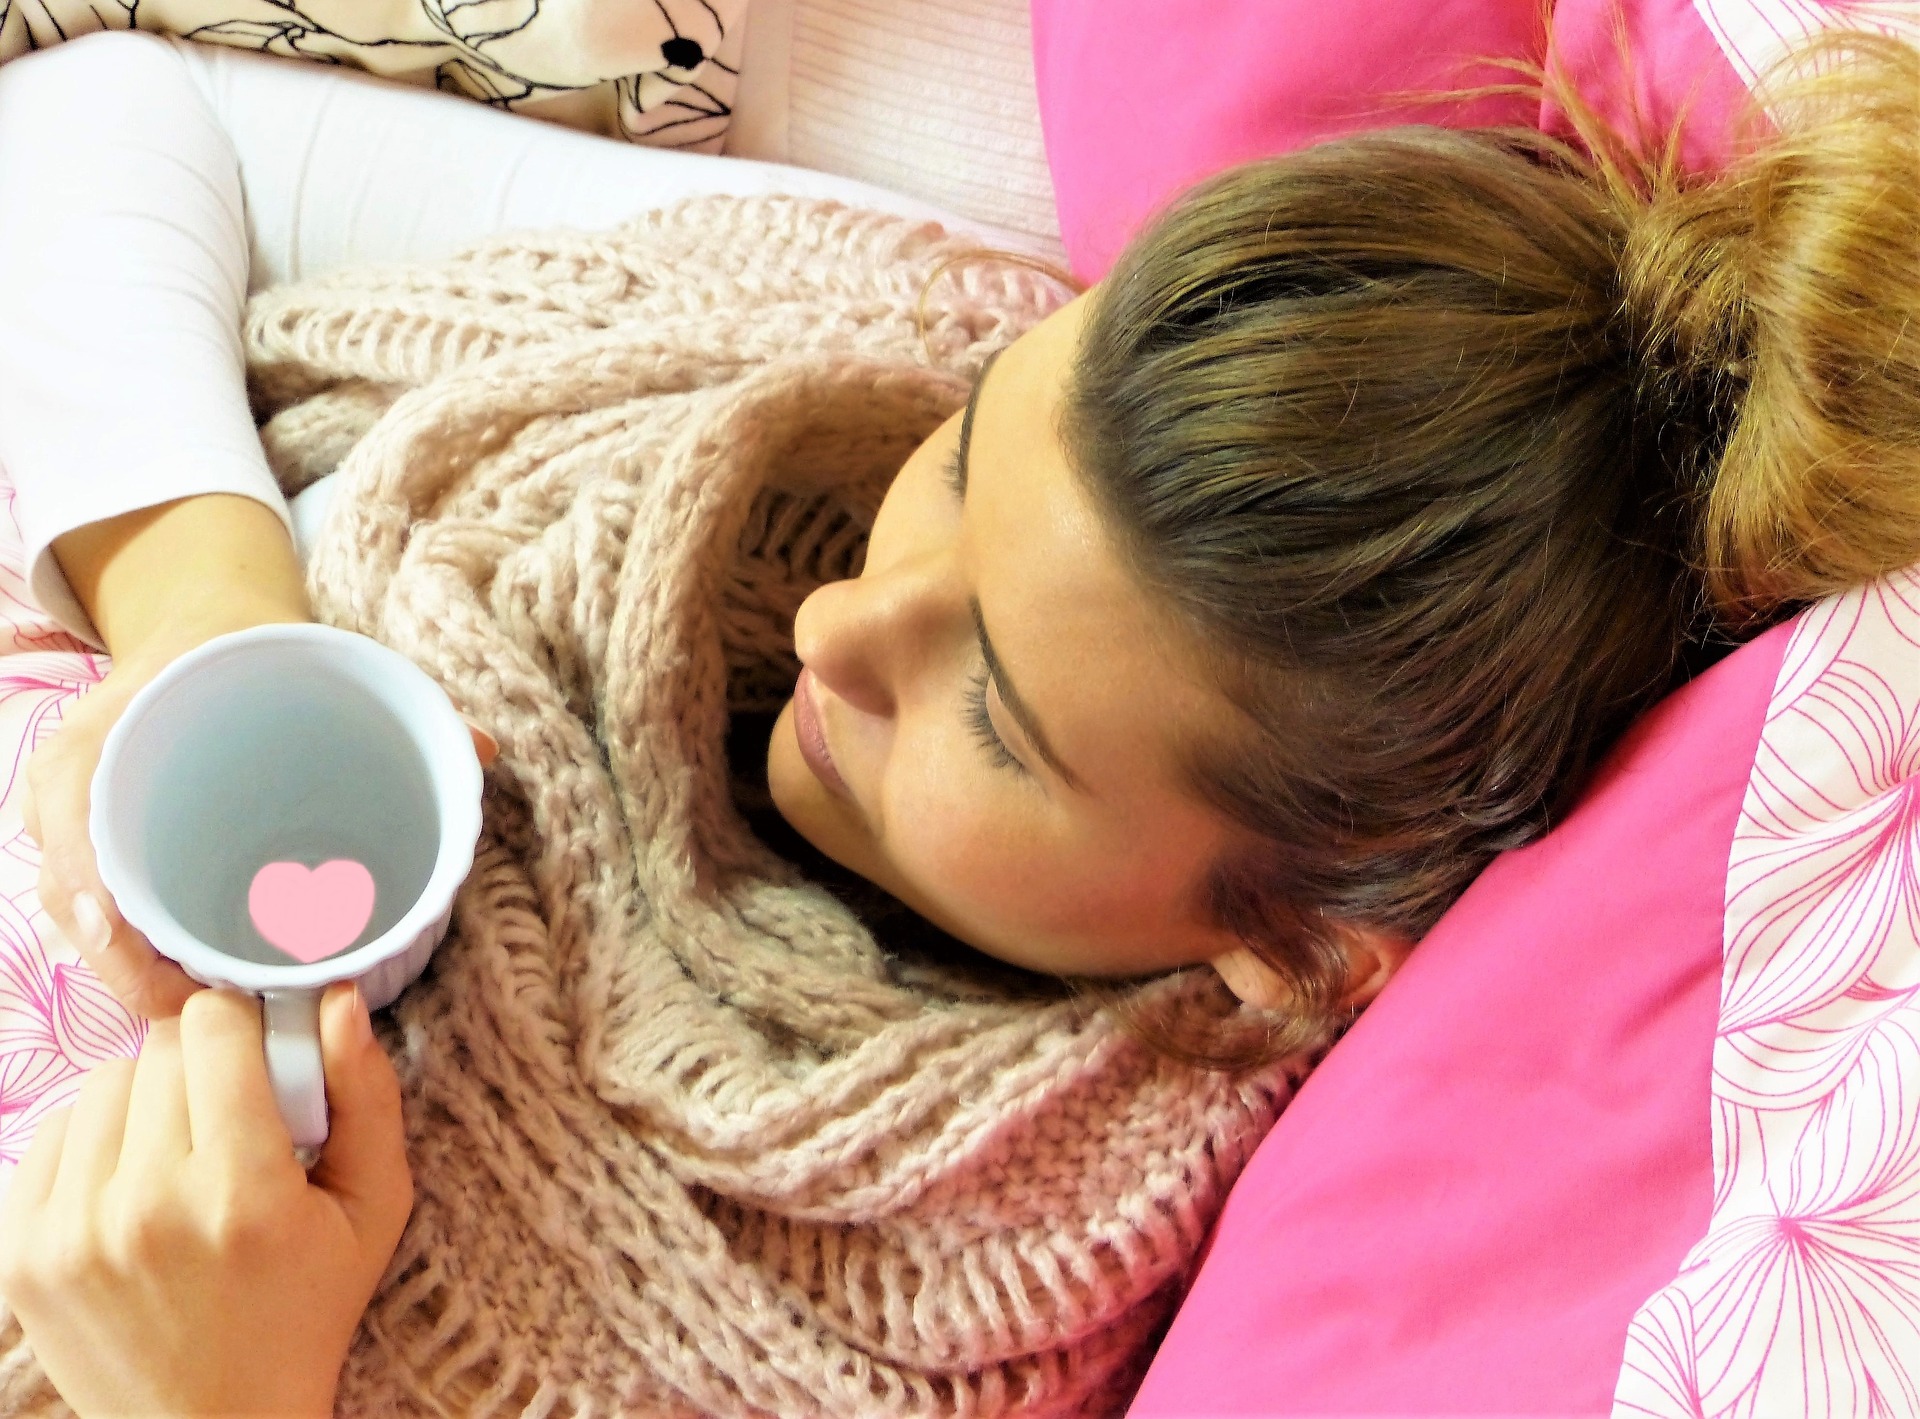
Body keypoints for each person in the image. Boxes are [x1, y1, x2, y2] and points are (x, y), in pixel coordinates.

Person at [8, 21, 1920, 1418]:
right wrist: (204, 635)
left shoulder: (993, 1322)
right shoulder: (833, 322)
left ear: (1292, 953)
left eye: (997, 715)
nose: (844, 617)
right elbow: (101, 119)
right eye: (964, 463)